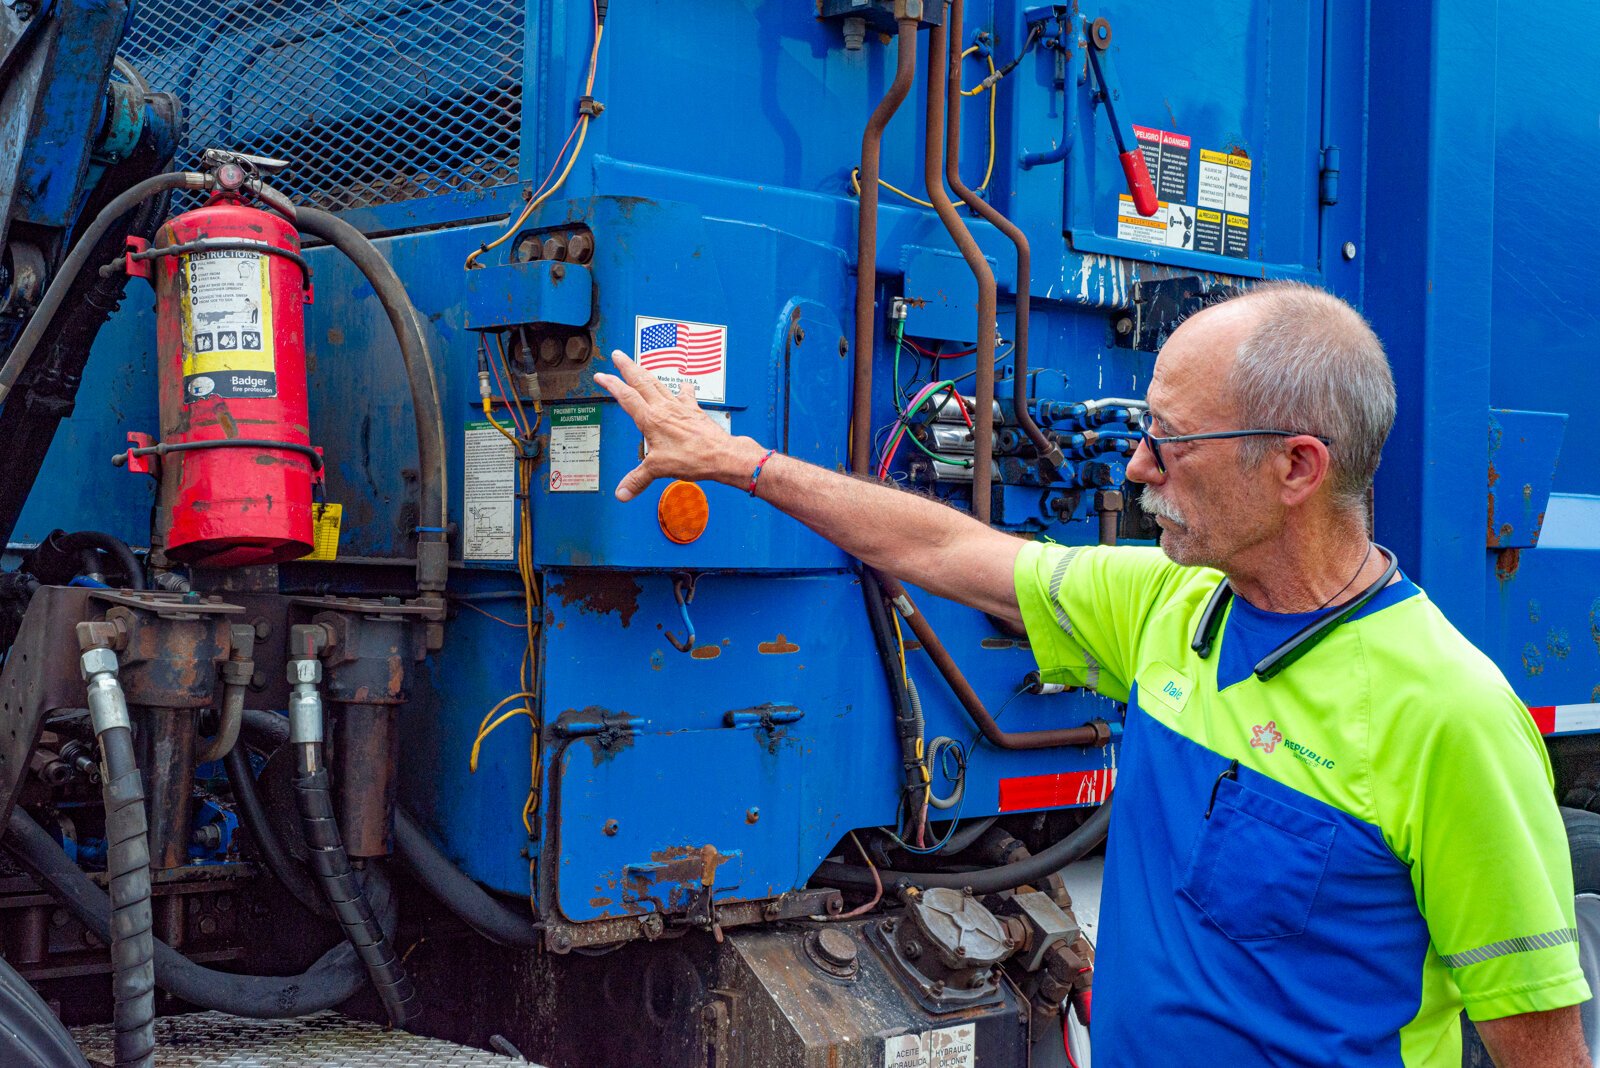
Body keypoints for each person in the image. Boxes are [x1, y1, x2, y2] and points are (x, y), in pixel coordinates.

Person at [594, 283, 1591, 1067]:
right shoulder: (1174, 607)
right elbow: (943, 550)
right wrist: (741, 463)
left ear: (1296, 469)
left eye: (1172, 442)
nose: (1136, 469)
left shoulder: (1447, 717)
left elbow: (1537, 1048)